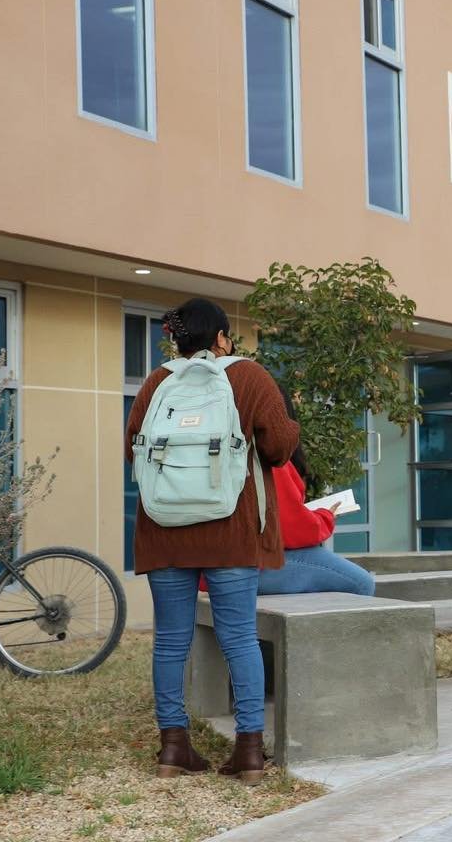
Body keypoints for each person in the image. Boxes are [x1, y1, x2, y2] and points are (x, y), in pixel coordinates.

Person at [125, 298, 298, 783]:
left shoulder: (159, 382)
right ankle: (248, 752)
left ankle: (173, 749)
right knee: (239, 637)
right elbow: (281, 447)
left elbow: (132, 450)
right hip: (232, 529)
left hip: (165, 531)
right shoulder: (249, 377)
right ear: (222, 337)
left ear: (177, 340)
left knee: (170, 644)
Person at [256, 385, 375, 597]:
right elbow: (294, 531)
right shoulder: (270, 459)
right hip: (253, 568)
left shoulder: (231, 448)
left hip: (218, 565)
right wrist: (326, 515)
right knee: (362, 583)